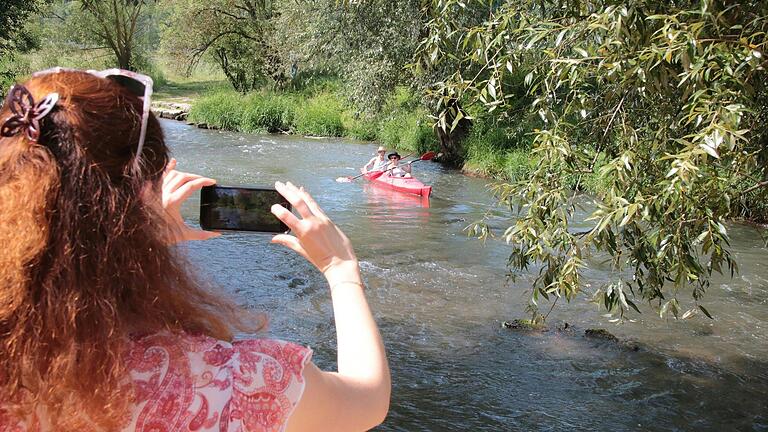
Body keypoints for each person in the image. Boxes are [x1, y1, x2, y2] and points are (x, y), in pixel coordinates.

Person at [0, 70, 390, 431]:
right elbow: (367, 399)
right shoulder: (238, 381)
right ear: (144, 195)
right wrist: (341, 269)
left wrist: (136, 237)